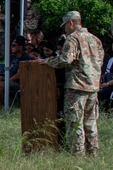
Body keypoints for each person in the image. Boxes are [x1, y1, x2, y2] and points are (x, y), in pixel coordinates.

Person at [37, 11, 104, 156]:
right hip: (93, 86)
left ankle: (77, 156)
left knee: (75, 123)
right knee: (90, 122)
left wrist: (47, 61)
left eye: (65, 26)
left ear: (71, 23)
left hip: (77, 86)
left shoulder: (73, 39)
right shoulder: (95, 39)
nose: (65, 29)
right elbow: (100, 61)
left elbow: (65, 60)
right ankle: (93, 154)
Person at [0, 36, 31, 109]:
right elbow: (3, 72)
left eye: (14, 45)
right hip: (6, 81)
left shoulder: (25, 58)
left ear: (20, 47)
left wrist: (6, 80)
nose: (11, 47)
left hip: (17, 83)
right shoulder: (11, 57)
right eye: (11, 45)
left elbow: (20, 74)